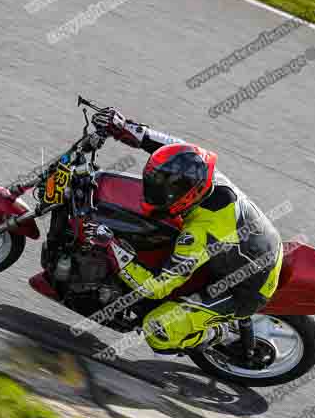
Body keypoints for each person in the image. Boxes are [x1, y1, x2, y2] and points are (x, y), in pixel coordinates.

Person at [88, 107, 283, 354]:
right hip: (255, 246)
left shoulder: (199, 234)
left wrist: (109, 244)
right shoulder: (206, 174)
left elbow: (157, 287)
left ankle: (217, 333)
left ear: (185, 196)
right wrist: (126, 128)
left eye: (163, 192)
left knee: (157, 330)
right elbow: (178, 148)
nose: (153, 193)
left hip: (247, 289)